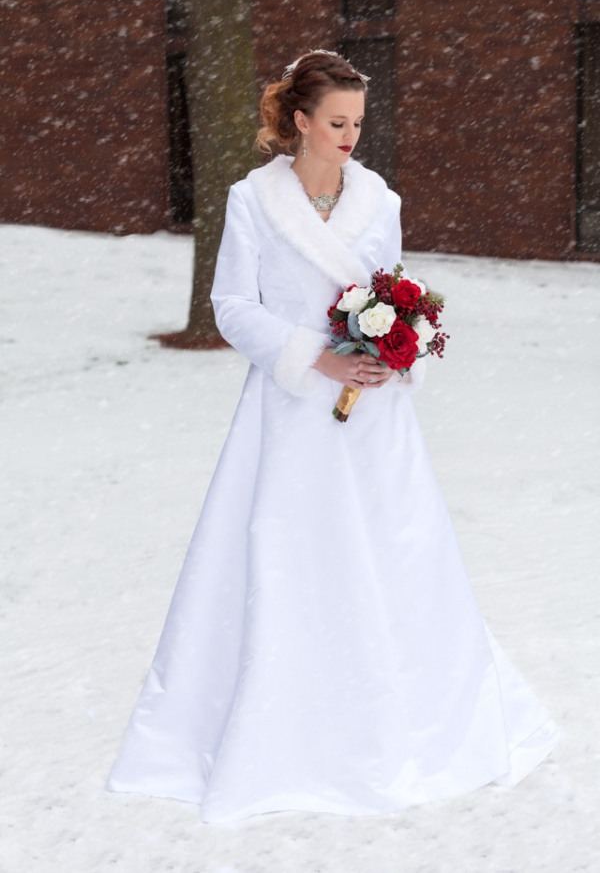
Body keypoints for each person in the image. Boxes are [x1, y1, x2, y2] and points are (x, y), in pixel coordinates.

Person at [106, 50, 559, 822]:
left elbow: (395, 290)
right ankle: (277, 731)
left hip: (373, 415)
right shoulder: (252, 202)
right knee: (285, 552)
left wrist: (396, 351)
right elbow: (232, 306)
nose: (351, 135)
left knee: (394, 550)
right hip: (287, 415)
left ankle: (406, 719)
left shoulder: (380, 202)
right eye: (338, 121)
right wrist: (309, 356)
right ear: (301, 122)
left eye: (358, 122)